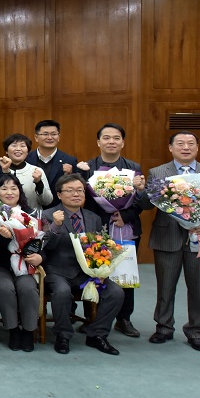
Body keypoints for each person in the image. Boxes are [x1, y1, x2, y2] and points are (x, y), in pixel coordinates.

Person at [138, 131, 200, 352]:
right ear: (170, 148)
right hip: (167, 238)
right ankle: (163, 327)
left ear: (197, 148)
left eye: (190, 143)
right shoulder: (158, 172)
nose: (185, 147)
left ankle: (196, 331)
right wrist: (142, 190)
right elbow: (147, 205)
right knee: (165, 287)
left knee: (199, 288)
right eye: (180, 143)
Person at [41, 173, 123, 355]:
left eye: (80, 190)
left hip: (88, 273)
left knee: (115, 292)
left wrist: (102, 269)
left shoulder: (93, 218)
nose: (76, 194)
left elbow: (100, 247)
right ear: (59, 194)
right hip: (57, 271)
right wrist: (56, 226)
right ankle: (63, 335)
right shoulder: (48, 215)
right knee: (62, 292)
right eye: (70, 190)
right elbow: (45, 247)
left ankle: (97, 334)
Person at [77, 123, 144, 338]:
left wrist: (126, 215)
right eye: (106, 138)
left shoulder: (133, 167)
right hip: (96, 228)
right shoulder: (88, 167)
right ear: (98, 142)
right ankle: (92, 317)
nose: (111, 142)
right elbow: (80, 199)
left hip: (126, 229)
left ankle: (124, 319)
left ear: (123, 142)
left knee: (126, 274)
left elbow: (143, 202)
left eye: (116, 138)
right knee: (94, 274)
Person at [0, 174, 41, 352]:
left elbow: (41, 242)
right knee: (4, 288)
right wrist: (3, 237)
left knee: (28, 288)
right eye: (4, 188)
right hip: (0, 264)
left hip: (25, 264)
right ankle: (13, 331)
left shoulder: (31, 214)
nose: (9, 192)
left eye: (13, 188)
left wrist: (40, 257)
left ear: (20, 191)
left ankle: (28, 331)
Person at [26, 119, 78, 208]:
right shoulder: (26, 159)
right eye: (45, 134)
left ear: (59, 137)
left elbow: (76, 187)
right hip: (30, 209)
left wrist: (69, 175)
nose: (50, 137)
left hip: (59, 210)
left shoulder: (70, 161)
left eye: (53, 134)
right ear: (36, 137)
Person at [1, 133, 53, 209]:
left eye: (22, 146)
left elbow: (47, 201)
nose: (18, 149)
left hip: (31, 215)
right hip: (3, 215)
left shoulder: (36, 171)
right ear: (6, 151)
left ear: (27, 151)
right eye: (14, 145)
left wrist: (39, 183)